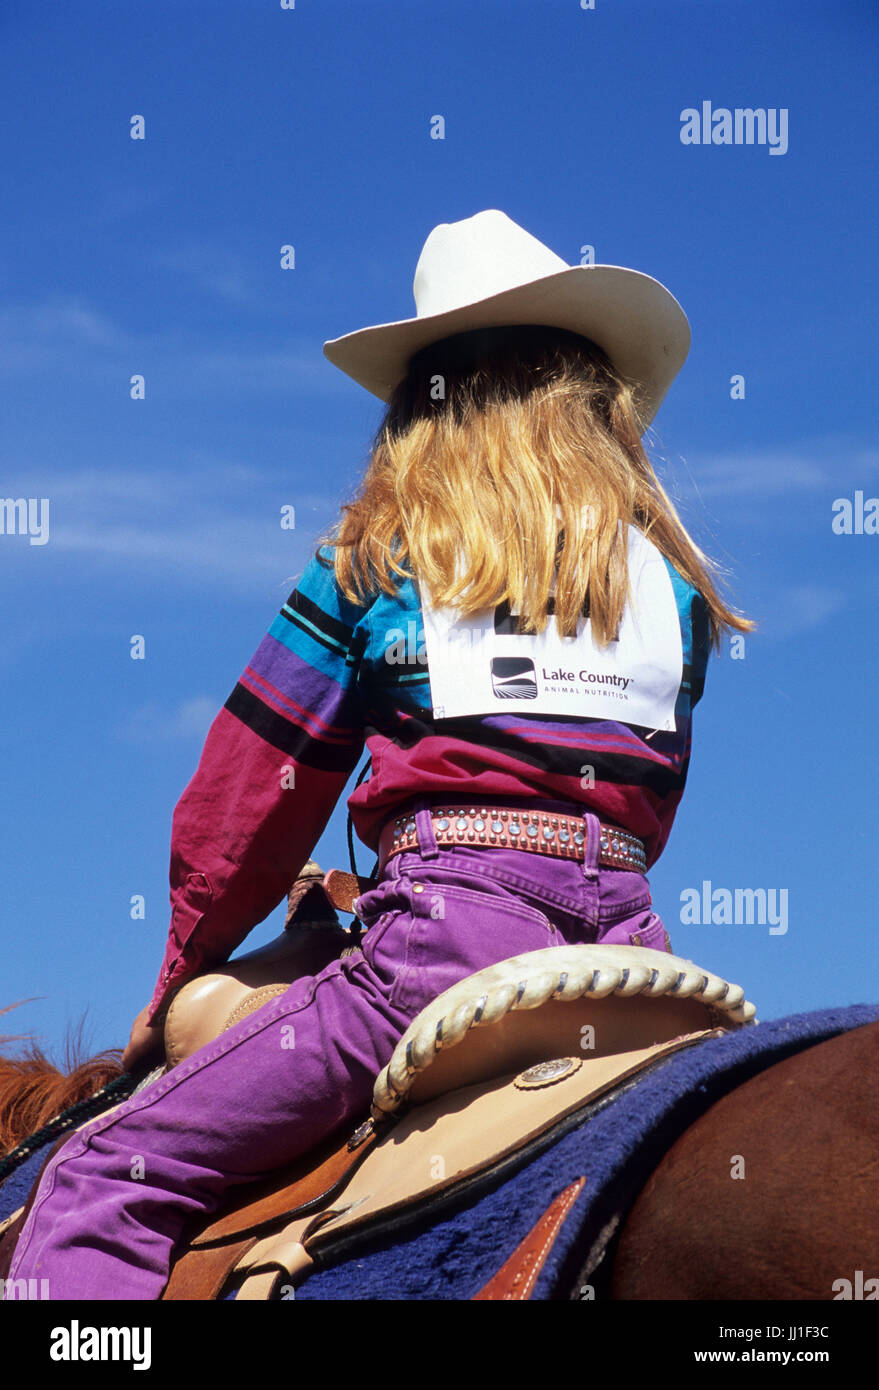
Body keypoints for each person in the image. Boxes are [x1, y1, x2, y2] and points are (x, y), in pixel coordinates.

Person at [6, 209, 753, 1299]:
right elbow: (639, 798)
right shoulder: (674, 593)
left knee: (102, 1178)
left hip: (440, 949)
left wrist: (178, 976)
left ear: (422, 407)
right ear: (594, 406)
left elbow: (243, 805)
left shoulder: (374, 561)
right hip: (635, 949)